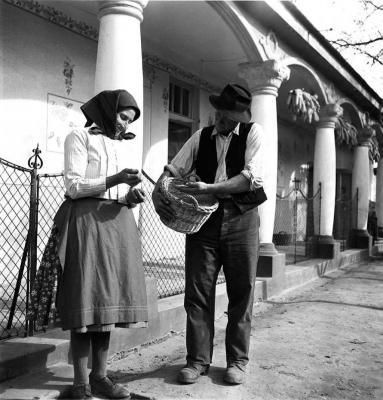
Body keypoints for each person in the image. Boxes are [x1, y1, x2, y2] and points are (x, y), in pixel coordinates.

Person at [29, 89, 148, 399]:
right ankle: (80, 383)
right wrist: (116, 179)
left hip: (116, 224)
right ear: (108, 111)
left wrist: (129, 197)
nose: (125, 124)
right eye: (123, 117)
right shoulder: (78, 138)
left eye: (130, 120)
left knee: (107, 302)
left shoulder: (117, 144)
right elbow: (74, 186)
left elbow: (117, 191)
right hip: (84, 221)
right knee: (85, 301)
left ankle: (100, 377)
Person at [152, 83, 265, 385]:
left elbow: (250, 180)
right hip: (204, 223)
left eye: (229, 115)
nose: (222, 119)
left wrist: (212, 189)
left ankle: (237, 362)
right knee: (198, 292)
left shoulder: (254, 134)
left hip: (242, 219)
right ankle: (197, 361)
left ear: (239, 117)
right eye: (220, 112)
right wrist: (158, 188)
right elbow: (174, 169)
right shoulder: (201, 136)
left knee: (241, 293)